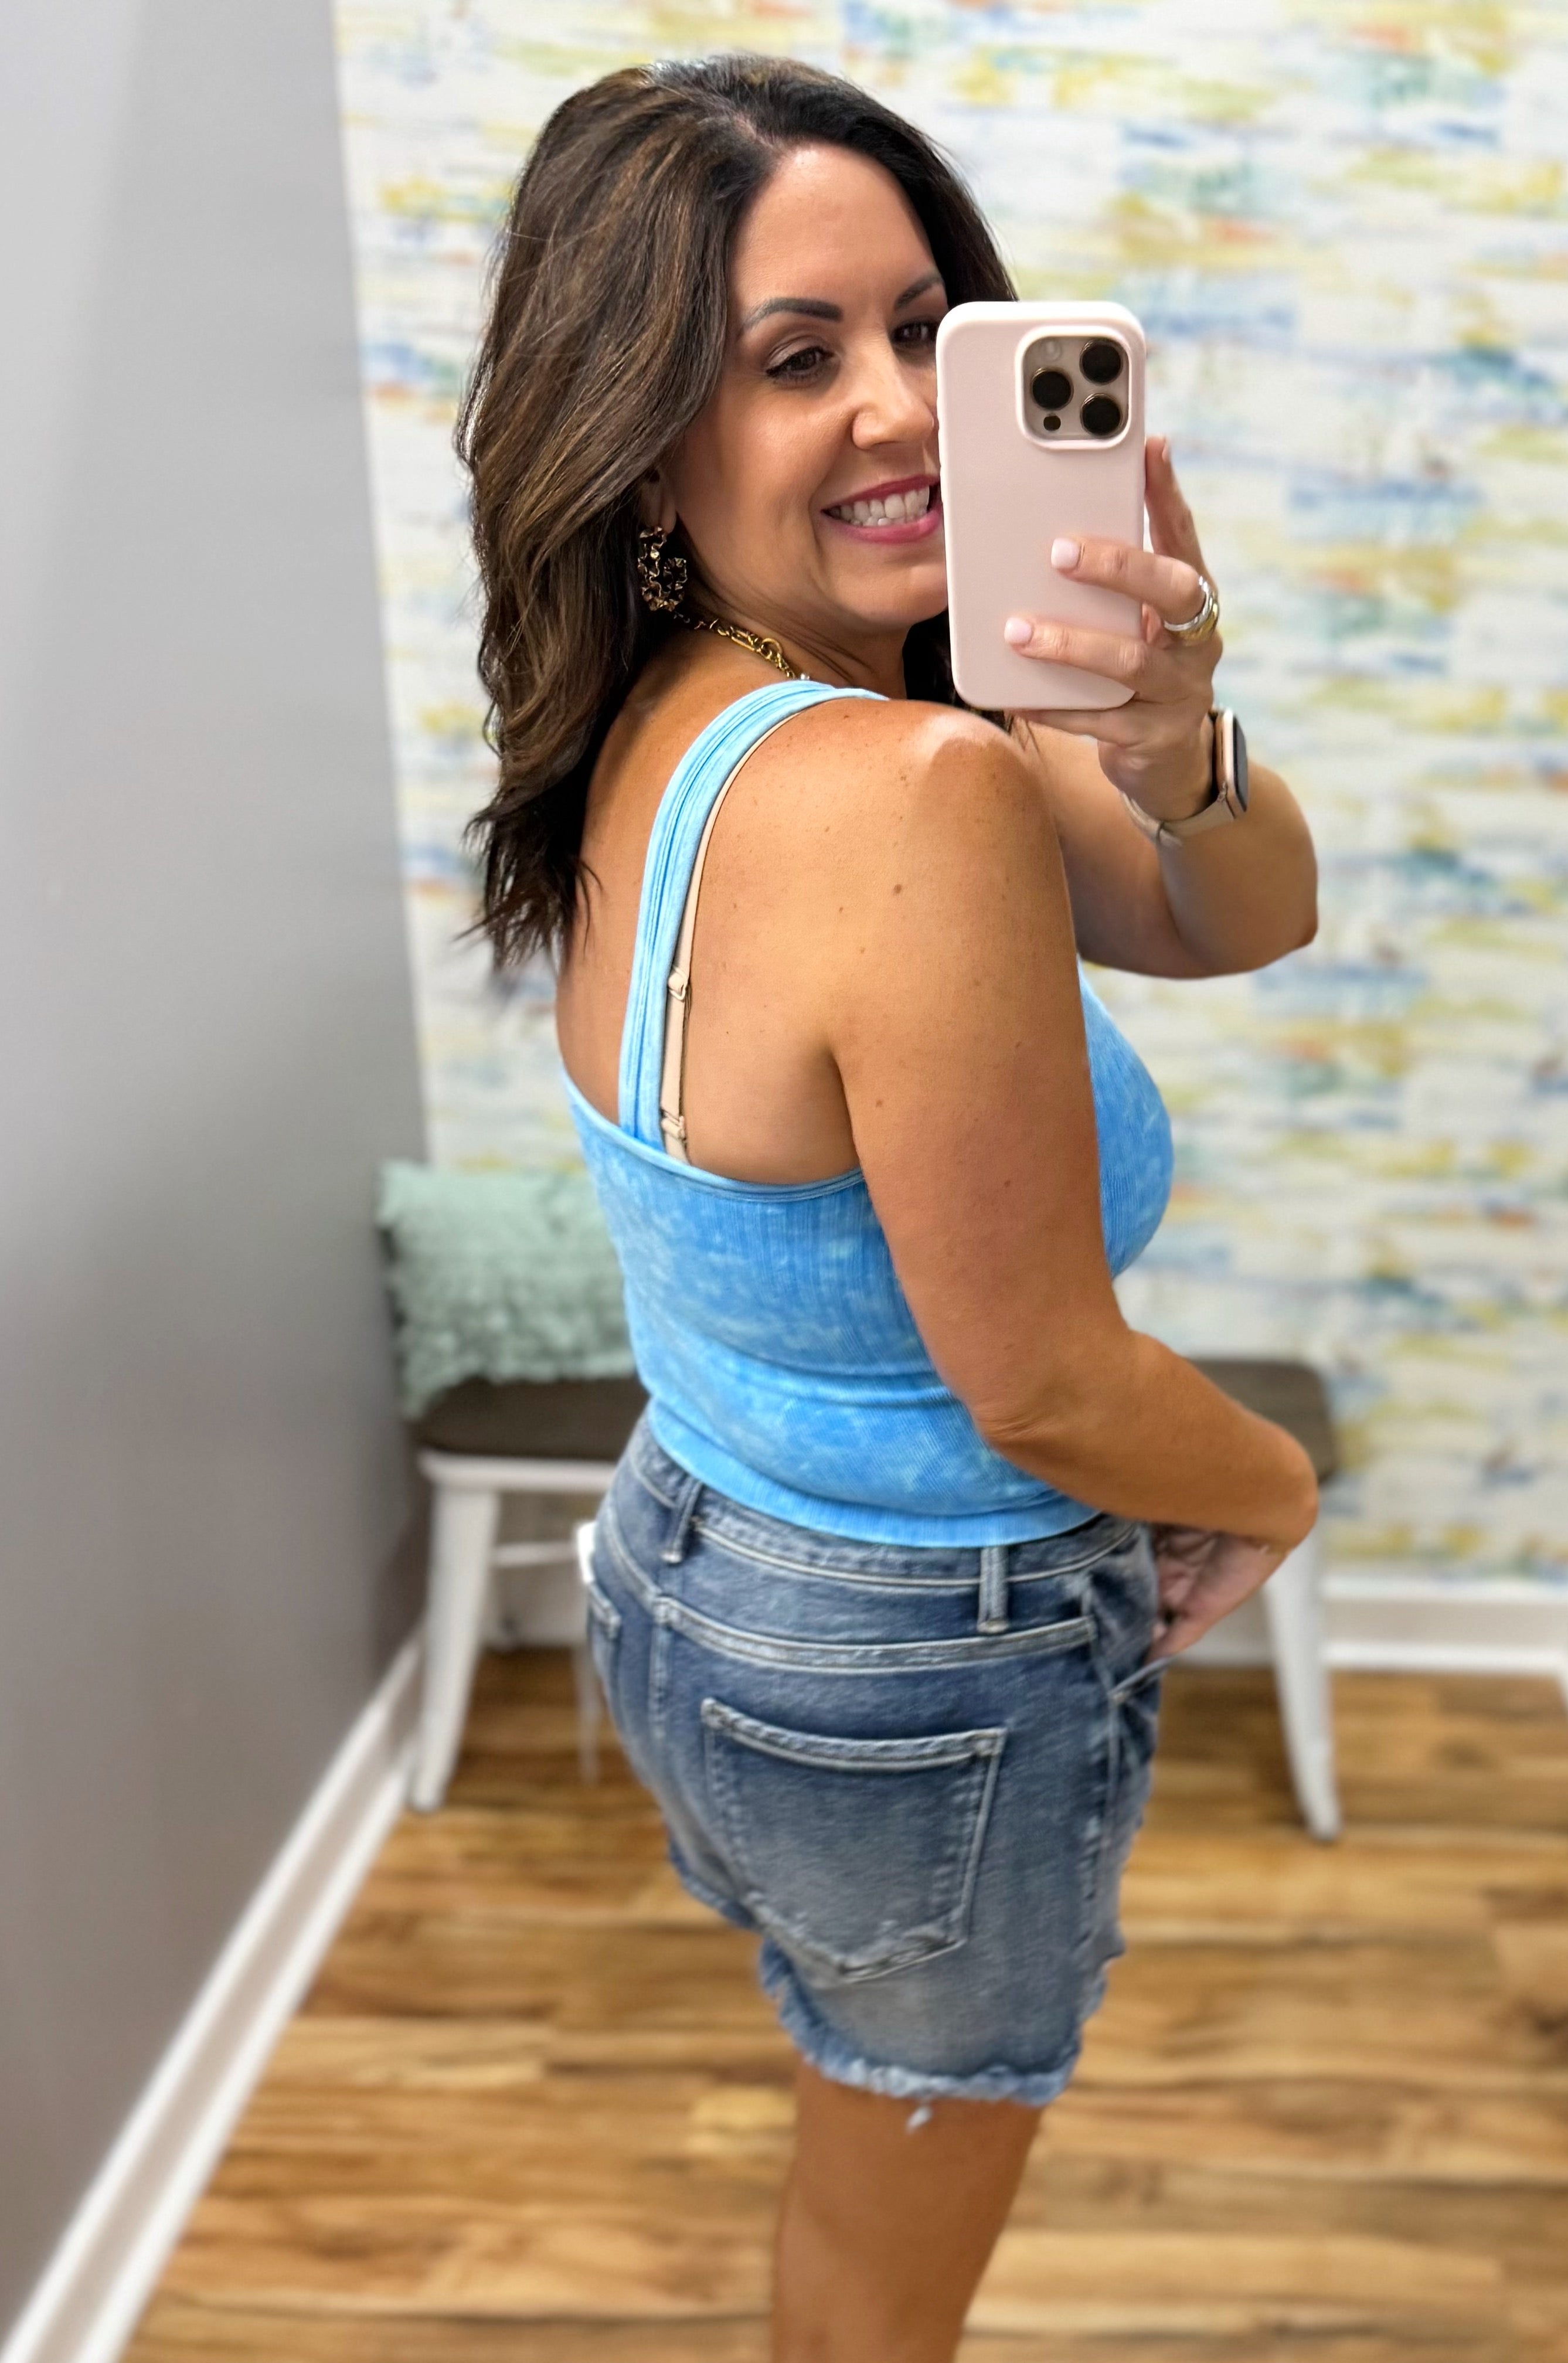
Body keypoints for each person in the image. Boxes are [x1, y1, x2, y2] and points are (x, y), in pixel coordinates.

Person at [456, 53, 1321, 2362]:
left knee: (859, 2095)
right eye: (790, 357)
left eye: (922, 331)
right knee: (884, 2266)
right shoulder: (910, 782)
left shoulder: (688, 712)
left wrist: (1179, 723)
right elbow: (1039, 1373)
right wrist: (1278, 1480)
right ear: (647, 428)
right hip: (908, 1658)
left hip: (692, 1570)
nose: (898, 412)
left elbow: (1240, 916)